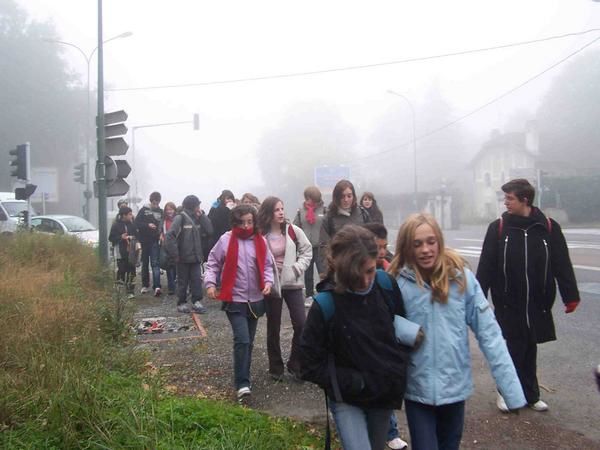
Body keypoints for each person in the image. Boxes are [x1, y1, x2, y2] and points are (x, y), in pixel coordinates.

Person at [389, 213, 526, 450]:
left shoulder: (461, 278)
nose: (425, 250)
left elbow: (490, 334)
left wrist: (511, 389)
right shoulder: (397, 282)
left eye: (431, 241)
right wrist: (405, 330)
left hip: (455, 387)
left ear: (439, 241)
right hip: (417, 389)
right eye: (417, 244)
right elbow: (376, 321)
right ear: (406, 246)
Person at [299, 224, 412, 450]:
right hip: (347, 399)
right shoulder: (325, 305)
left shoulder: (386, 285)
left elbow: (399, 328)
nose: (365, 281)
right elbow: (309, 363)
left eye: (370, 270)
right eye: (356, 274)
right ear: (339, 267)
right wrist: (352, 382)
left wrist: (395, 369)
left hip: (382, 392)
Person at [476, 178, 580, 413]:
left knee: (530, 346)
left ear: (525, 199)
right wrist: (478, 297)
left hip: (537, 300)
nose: (506, 203)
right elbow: (486, 266)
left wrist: (570, 295)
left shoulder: (548, 227)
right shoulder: (498, 228)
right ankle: (506, 392)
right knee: (512, 347)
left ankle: (531, 395)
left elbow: (561, 262)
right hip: (508, 300)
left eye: (509, 198)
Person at [204, 204, 274, 401]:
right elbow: (213, 262)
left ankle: (245, 374)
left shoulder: (260, 240)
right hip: (234, 299)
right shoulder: (225, 240)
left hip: (256, 299)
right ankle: (242, 384)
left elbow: (267, 266)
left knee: (249, 342)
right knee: (242, 340)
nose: (246, 226)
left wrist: (268, 282)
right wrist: (210, 284)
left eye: (250, 222)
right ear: (235, 222)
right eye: (242, 222)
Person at [362, 222, 408, 450]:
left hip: (387, 339)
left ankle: (390, 432)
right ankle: (386, 433)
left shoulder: (391, 267)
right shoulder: (361, 271)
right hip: (366, 342)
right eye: (377, 247)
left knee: (384, 386)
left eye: (384, 246)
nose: (381, 252)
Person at [258, 196, 312, 381]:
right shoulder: (261, 234)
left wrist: (297, 268)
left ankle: (295, 363)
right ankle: (276, 367)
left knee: (301, 324)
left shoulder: (293, 231)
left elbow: (307, 250)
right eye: (276, 210)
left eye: (282, 209)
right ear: (268, 213)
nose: (281, 212)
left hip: (293, 283)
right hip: (272, 285)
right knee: (273, 327)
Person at [165, 195, 212, 314]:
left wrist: (202, 216)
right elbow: (170, 236)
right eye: (198, 205)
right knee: (182, 281)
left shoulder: (198, 218)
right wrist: (175, 254)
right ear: (193, 206)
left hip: (196, 257)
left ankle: (196, 302)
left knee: (196, 280)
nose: (199, 207)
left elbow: (210, 230)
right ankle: (181, 303)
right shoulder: (180, 218)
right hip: (182, 258)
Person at [319, 180, 370, 266]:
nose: (346, 200)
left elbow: (371, 239)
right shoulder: (329, 218)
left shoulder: (363, 214)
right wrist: (328, 268)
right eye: (342, 196)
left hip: (361, 265)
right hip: (339, 268)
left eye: (349, 196)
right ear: (336, 197)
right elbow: (323, 246)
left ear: (353, 196)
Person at [293, 186, 327, 304]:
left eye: (310, 198)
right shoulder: (300, 211)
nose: (308, 201)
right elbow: (295, 226)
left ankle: (325, 294)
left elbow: (328, 227)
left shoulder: (324, 210)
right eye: (306, 198)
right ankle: (309, 295)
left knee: (323, 271)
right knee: (308, 273)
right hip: (306, 247)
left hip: (321, 246)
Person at [135, 191, 164, 296]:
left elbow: (163, 225)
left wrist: (161, 234)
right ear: (150, 201)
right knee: (145, 264)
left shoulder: (161, 212)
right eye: (154, 203)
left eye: (157, 203)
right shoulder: (143, 210)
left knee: (155, 264)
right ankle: (145, 285)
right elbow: (137, 223)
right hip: (144, 241)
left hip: (155, 241)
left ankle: (157, 286)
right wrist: (147, 225)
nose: (155, 205)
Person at [109, 206, 138, 299]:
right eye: (129, 214)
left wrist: (133, 238)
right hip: (121, 252)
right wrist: (121, 237)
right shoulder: (116, 225)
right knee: (122, 270)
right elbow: (111, 238)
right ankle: (119, 288)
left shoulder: (132, 224)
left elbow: (137, 235)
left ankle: (130, 290)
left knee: (132, 271)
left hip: (131, 251)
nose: (131, 216)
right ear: (123, 215)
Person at [161, 201, 178, 296]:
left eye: (171, 209)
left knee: (175, 266)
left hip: (175, 245)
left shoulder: (178, 219)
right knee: (168, 267)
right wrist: (160, 235)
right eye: (167, 210)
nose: (169, 211)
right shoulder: (163, 220)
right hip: (166, 245)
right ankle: (171, 287)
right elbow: (160, 230)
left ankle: (176, 284)